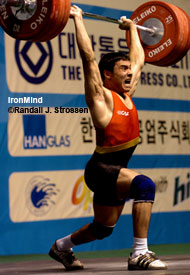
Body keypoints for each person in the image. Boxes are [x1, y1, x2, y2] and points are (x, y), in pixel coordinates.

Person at [49, 5, 168, 271]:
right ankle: (139, 253)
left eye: (129, 69)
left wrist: (132, 30)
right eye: (122, 69)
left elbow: (139, 61)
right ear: (107, 75)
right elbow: (88, 58)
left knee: (103, 229)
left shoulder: (127, 94)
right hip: (101, 169)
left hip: (111, 171)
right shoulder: (101, 97)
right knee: (144, 186)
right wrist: (78, 20)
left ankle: (61, 247)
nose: (129, 72)